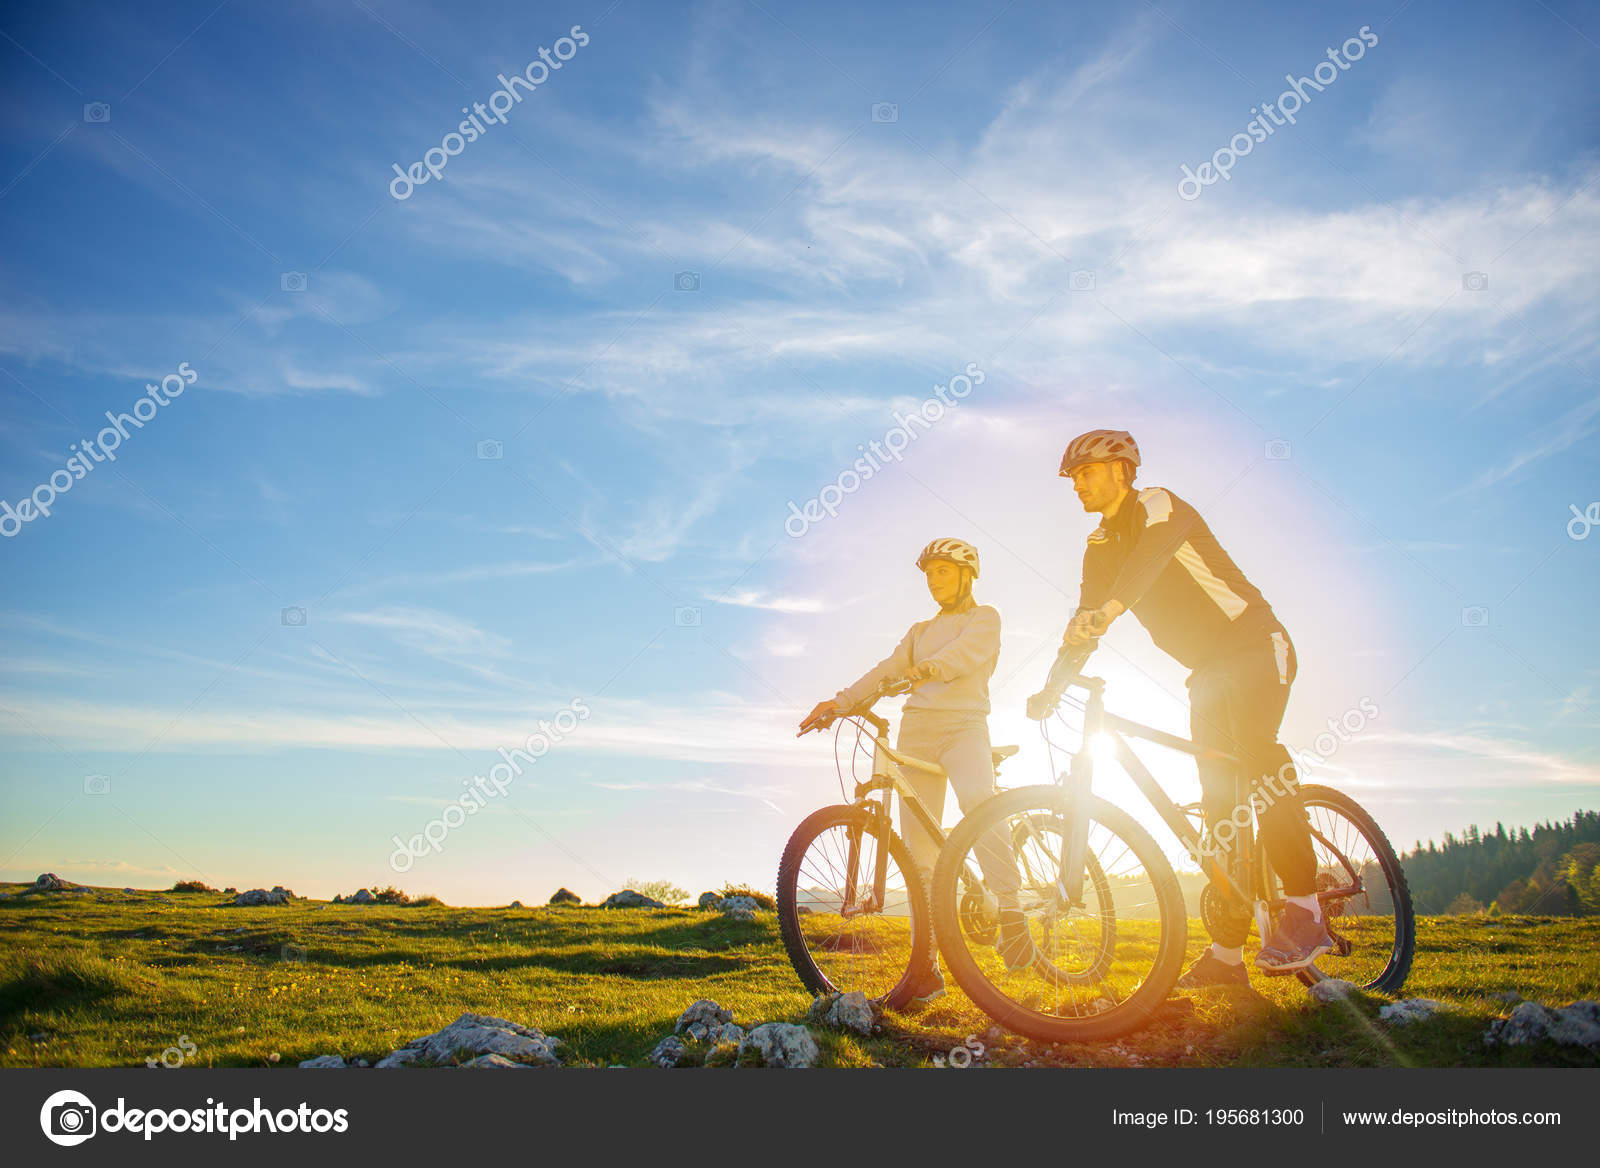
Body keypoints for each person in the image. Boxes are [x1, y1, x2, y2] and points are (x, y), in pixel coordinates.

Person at [1053, 429, 1330, 987]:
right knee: (1219, 802)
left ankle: (1305, 907)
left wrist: (1107, 609)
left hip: (1254, 643)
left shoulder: (1159, 504)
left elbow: (1151, 558)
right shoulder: (1097, 546)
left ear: (1122, 469)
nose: (1077, 483)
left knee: (1256, 753)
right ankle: (1228, 958)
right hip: (1205, 673)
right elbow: (1083, 621)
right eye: (1073, 476)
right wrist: (1052, 683)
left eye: (1087, 471)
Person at [799, 538, 1032, 1005]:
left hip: (965, 726)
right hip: (917, 730)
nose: (934, 581)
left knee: (978, 806)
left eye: (943, 572)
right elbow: (886, 668)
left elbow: (962, 656)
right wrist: (840, 702)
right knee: (921, 857)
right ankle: (927, 969)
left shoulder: (985, 618)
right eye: (928, 574)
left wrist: (921, 671)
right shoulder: (919, 629)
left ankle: (1011, 909)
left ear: (968, 574)